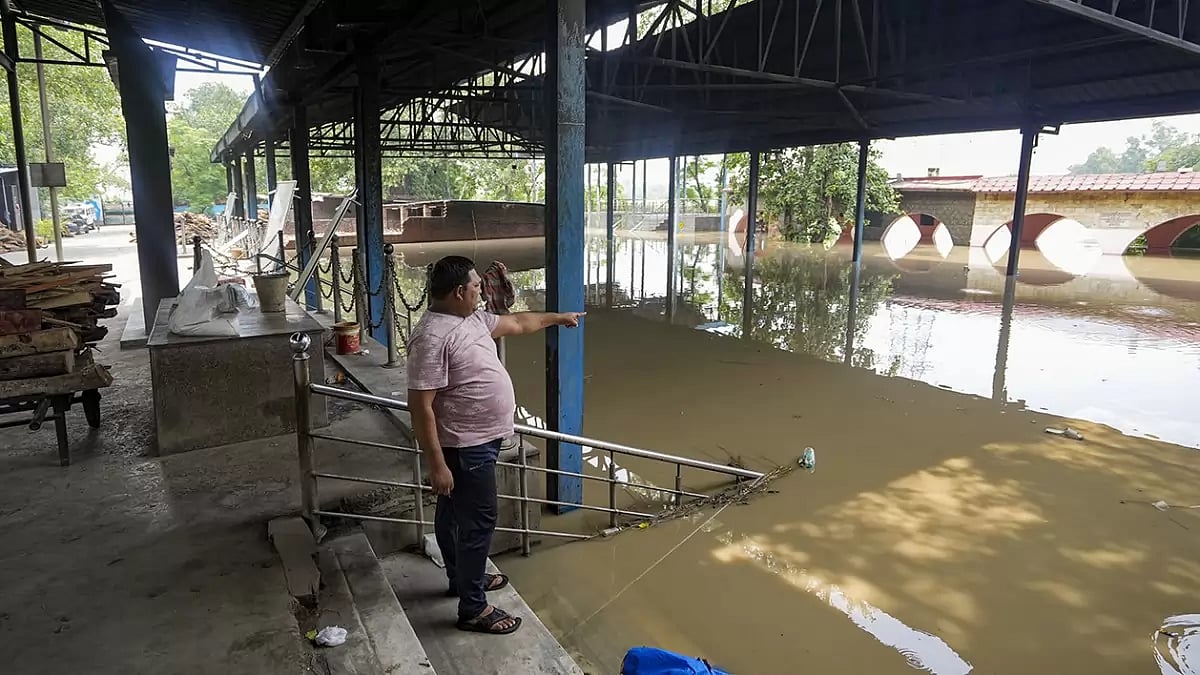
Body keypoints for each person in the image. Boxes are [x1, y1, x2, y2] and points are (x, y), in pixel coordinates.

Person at [406, 255, 584, 635]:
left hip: (480, 443)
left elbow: (519, 322)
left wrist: (559, 317)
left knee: (455, 516)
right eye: (475, 288)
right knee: (477, 523)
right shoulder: (432, 336)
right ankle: (473, 608)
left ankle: (462, 579)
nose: (481, 293)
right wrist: (437, 462)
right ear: (458, 292)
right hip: (464, 448)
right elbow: (420, 405)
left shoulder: (469, 320)